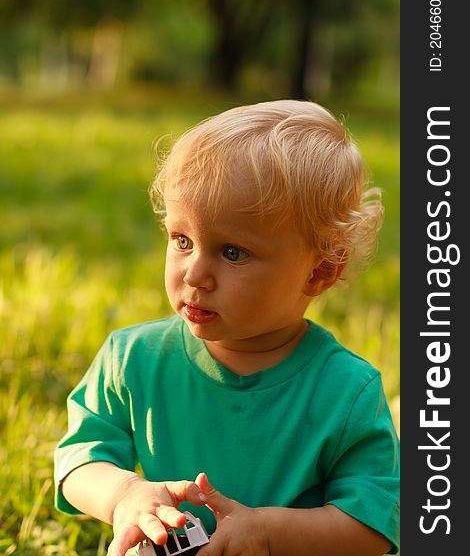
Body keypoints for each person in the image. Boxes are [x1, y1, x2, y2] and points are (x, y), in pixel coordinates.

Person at [54, 100, 400, 556]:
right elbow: (81, 458)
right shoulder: (133, 358)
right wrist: (124, 495)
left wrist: (268, 533)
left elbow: (374, 523)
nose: (195, 274)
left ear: (320, 271)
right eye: (182, 240)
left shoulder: (346, 391)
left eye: (232, 252)